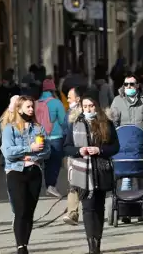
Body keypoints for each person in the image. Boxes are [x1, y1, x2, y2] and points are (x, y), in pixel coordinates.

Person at [63, 95, 120, 254]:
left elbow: (115, 147)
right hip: (82, 173)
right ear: (81, 107)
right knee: (88, 209)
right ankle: (92, 247)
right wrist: (78, 151)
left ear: (97, 106)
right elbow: (66, 147)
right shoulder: (75, 124)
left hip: (101, 170)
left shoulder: (106, 123)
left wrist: (100, 150)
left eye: (91, 106)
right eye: (85, 106)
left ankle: (97, 241)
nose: (88, 109)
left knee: (99, 208)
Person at [1, 96, 51, 254]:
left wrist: (34, 156)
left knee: (29, 211)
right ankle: (20, 247)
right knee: (20, 209)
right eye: (28, 107)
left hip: (34, 171)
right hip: (16, 171)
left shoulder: (38, 128)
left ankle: (25, 243)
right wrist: (30, 148)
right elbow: (8, 152)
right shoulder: (10, 128)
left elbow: (47, 151)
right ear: (19, 108)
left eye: (32, 107)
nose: (31, 109)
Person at [109, 73, 143, 195]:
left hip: (142, 145)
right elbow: (112, 123)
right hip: (123, 147)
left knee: (141, 177)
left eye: (132, 84)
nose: (129, 86)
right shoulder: (117, 101)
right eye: (126, 84)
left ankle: (141, 202)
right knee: (125, 177)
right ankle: (125, 203)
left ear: (137, 85)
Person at [37, 78, 67, 198]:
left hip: (39, 137)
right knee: (54, 163)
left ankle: (43, 185)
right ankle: (51, 186)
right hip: (55, 137)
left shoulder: (36, 102)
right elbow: (63, 121)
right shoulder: (56, 103)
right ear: (53, 89)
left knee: (42, 162)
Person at [63, 86, 85, 226]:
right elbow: (65, 133)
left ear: (78, 99)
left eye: (70, 97)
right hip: (72, 153)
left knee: (85, 185)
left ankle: (90, 210)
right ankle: (73, 213)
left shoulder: (86, 112)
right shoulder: (68, 113)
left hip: (87, 154)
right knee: (73, 183)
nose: (68, 100)